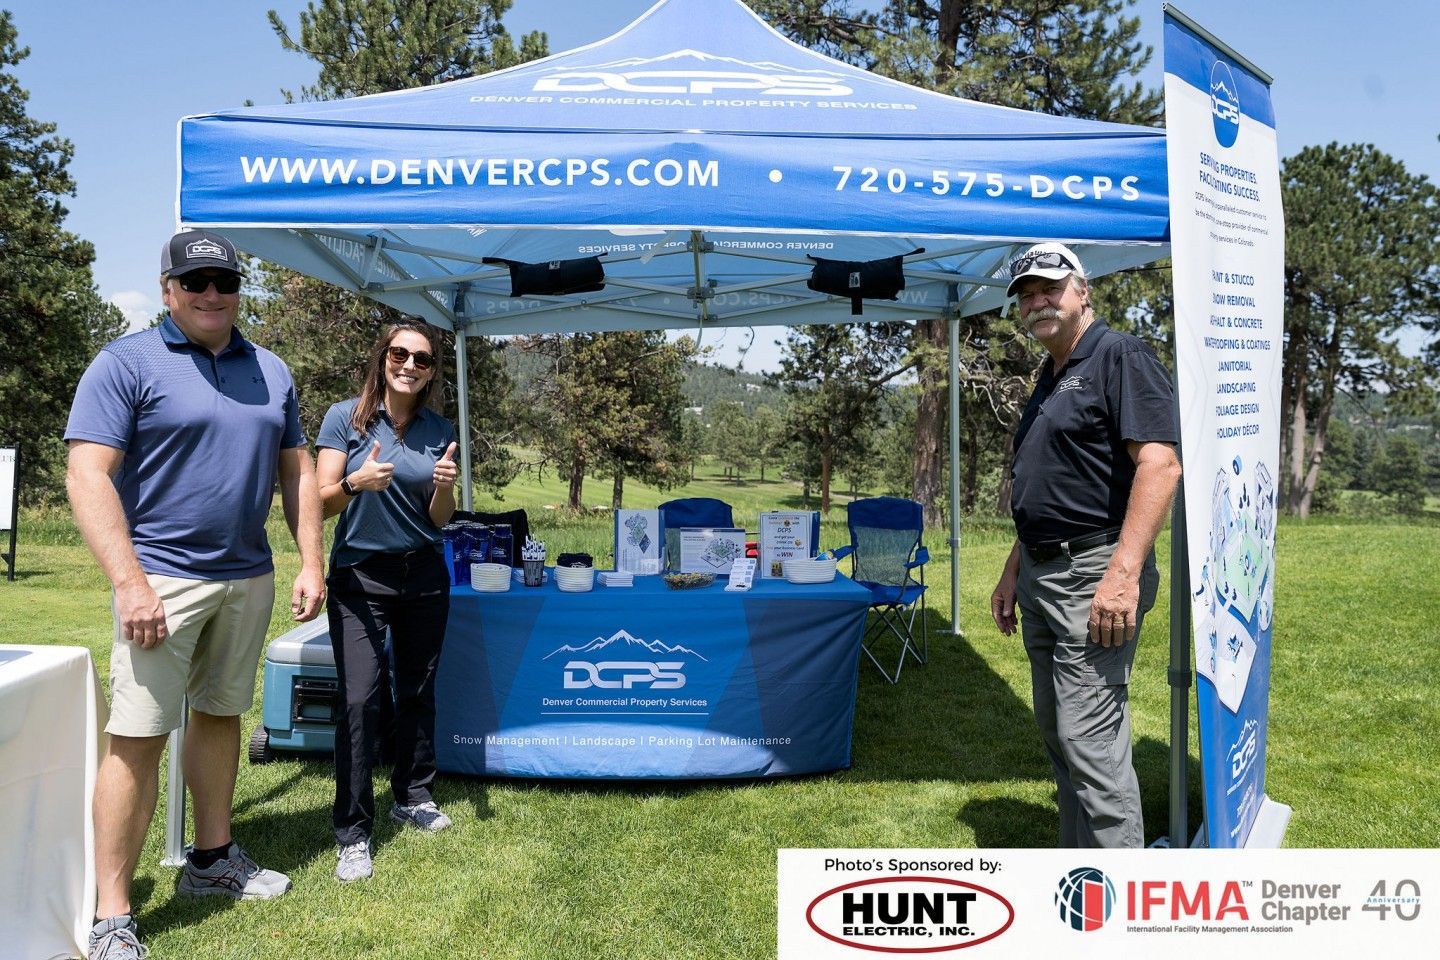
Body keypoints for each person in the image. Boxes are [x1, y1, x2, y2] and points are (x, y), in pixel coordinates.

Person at [66, 230, 324, 960]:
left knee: (219, 716)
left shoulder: (270, 369)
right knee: (137, 740)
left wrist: (311, 562)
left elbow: (297, 470)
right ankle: (111, 912)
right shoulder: (125, 364)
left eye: (225, 279)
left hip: (247, 576)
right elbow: (87, 476)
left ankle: (211, 860)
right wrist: (130, 583)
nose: (213, 293)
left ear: (240, 288)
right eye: (197, 280)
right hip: (161, 584)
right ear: (168, 288)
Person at [989, 242, 1181, 848]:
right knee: (1059, 735)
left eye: (1049, 287)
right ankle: (1080, 880)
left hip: (1095, 572)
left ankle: (1121, 913)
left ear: (1082, 291)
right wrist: (1012, 570)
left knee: (1090, 745)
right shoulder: (1050, 374)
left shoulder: (1117, 355)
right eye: (1025, 294)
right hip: (1042, 575)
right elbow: (1051, 480)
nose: (1037, 301)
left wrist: (1123, 574)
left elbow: (1160, 465)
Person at [315, 320, 459, 882]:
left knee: (418, 689)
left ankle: (413, 794)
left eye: (421, 360)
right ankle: (352, 831)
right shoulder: (345, 418)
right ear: (382, 358)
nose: (409, 365)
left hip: (423, 572)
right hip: (360, 576)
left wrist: (445, 487)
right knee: (360, 699)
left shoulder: (438, 427)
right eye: (399, 353)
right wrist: (356, 483)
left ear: (430, 373)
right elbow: (319, 503)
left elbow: (439, 521)